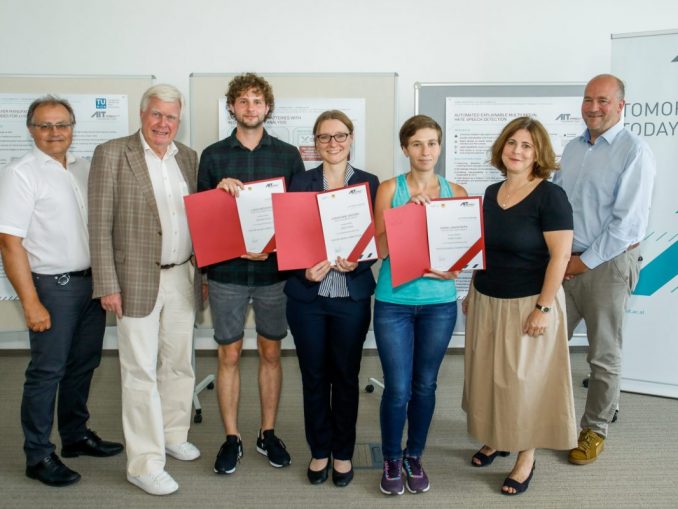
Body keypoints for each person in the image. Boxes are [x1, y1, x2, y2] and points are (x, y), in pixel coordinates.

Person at [0, 96, 123, 487]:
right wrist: (31, 302)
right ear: (31, 130)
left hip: (91, 283)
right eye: (45, 126)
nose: (54, 133)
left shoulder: (84, 168)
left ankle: (74, 436)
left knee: (84, 365)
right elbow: (8, 242)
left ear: (73, 127)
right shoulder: (21, 173)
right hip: (53, 287)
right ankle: (38, 455)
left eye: (62, 124)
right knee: (46, 372)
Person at [88, 84, 202, 496]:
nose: (163, 124)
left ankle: (173, 435)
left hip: (182, 276)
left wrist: (200, 275)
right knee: (139, 371)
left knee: (178, 363)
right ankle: (144, 462)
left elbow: (199, 222)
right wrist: (107, 283)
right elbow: (98, 225)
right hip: (133, 280)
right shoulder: (113, 154)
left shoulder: (187, 157)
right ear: (142, 115)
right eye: (157, 115)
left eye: (171, 117)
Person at [462, 116, 577, 496]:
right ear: (502, 147)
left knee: (523, 382)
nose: (517, 150)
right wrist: (471, 291)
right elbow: (482, 251)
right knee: (490, 375)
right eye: (512, 143)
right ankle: (498, 437)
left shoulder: (550, 196)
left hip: (530, 301)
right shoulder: (491, 192)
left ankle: (526, 455)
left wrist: (544, 308)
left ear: (538, 153)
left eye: (526, 146)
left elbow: (559, 258)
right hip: (488, 298)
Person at [197, 73, 305, 475]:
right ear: (231, 107)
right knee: (228, 353)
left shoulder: (288, 155)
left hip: (274, 275)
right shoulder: (212, 156)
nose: (250, 108)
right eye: (242, 101)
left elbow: (297, 217)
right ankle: (231, 437)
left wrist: (277, 248)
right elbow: (204, 222)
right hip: (227, 271)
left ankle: (267, 431)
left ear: (268, 108)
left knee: (271, 352)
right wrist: (217, 195)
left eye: (257, 101)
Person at [554, 74, 656, 466]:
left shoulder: (635, 151)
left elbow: (627, 226)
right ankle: (552, 419)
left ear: (620, 106)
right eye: (587, 99)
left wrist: (581, 262)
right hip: (566, 261)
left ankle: (595, 427)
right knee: (548, 348)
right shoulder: (573, 148)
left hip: (607, 266)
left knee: (603, 354)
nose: (592, 107)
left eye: (602, 100)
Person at [373, 115, 467, 496]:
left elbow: (464, 252)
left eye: (432, 143)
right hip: (394, 302)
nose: (425, 151)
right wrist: (406, 214)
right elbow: (377, 250)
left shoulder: (457, 191)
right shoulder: (389, 189)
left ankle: (415, 456)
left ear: (440, 147)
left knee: (425, 385)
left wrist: (455, 270)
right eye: (417, 144)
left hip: (439, 304)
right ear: (405, 149)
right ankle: (391, 458)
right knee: (397, 387)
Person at [285, 110, 379, 487]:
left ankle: (343, 452)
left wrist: (359, 260)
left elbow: (379, 241)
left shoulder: (371, 184)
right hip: (309, 297)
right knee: (313, 378)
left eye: (340, 136)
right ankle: (319, 450)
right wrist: (302, 271)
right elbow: (287, 242)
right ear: (315, 143)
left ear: (351, 138)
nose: (333, 143)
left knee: (345, 377)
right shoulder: (299, 182)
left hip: (350, 298)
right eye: (325, 137)